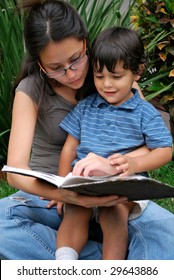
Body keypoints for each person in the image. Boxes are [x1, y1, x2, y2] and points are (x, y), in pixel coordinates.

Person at [0, 0, 174, 260]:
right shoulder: (30, 90)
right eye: (56, 68)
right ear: (40, 64)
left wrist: (113, 166)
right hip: (51, 199)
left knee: (167, 233)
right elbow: (15, 172)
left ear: (85, 42)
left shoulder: (109, 75)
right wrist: (64, 194)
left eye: (75, 60)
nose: (71, 74)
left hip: (117, 193)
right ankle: (102, 261)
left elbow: (153, 141)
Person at [56, 27, 173, 260]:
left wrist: (133, 162)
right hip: (85, 182)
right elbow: (69, 148)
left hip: (124, 187)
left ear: (137, 72)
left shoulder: (144, 113)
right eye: (99, 77)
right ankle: (64, 264)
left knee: (114, 214)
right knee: (75, 213)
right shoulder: (86, 107)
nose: (106, 84)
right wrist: (61, 185)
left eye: (116, 77)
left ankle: (111, 268)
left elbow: (165, 151)